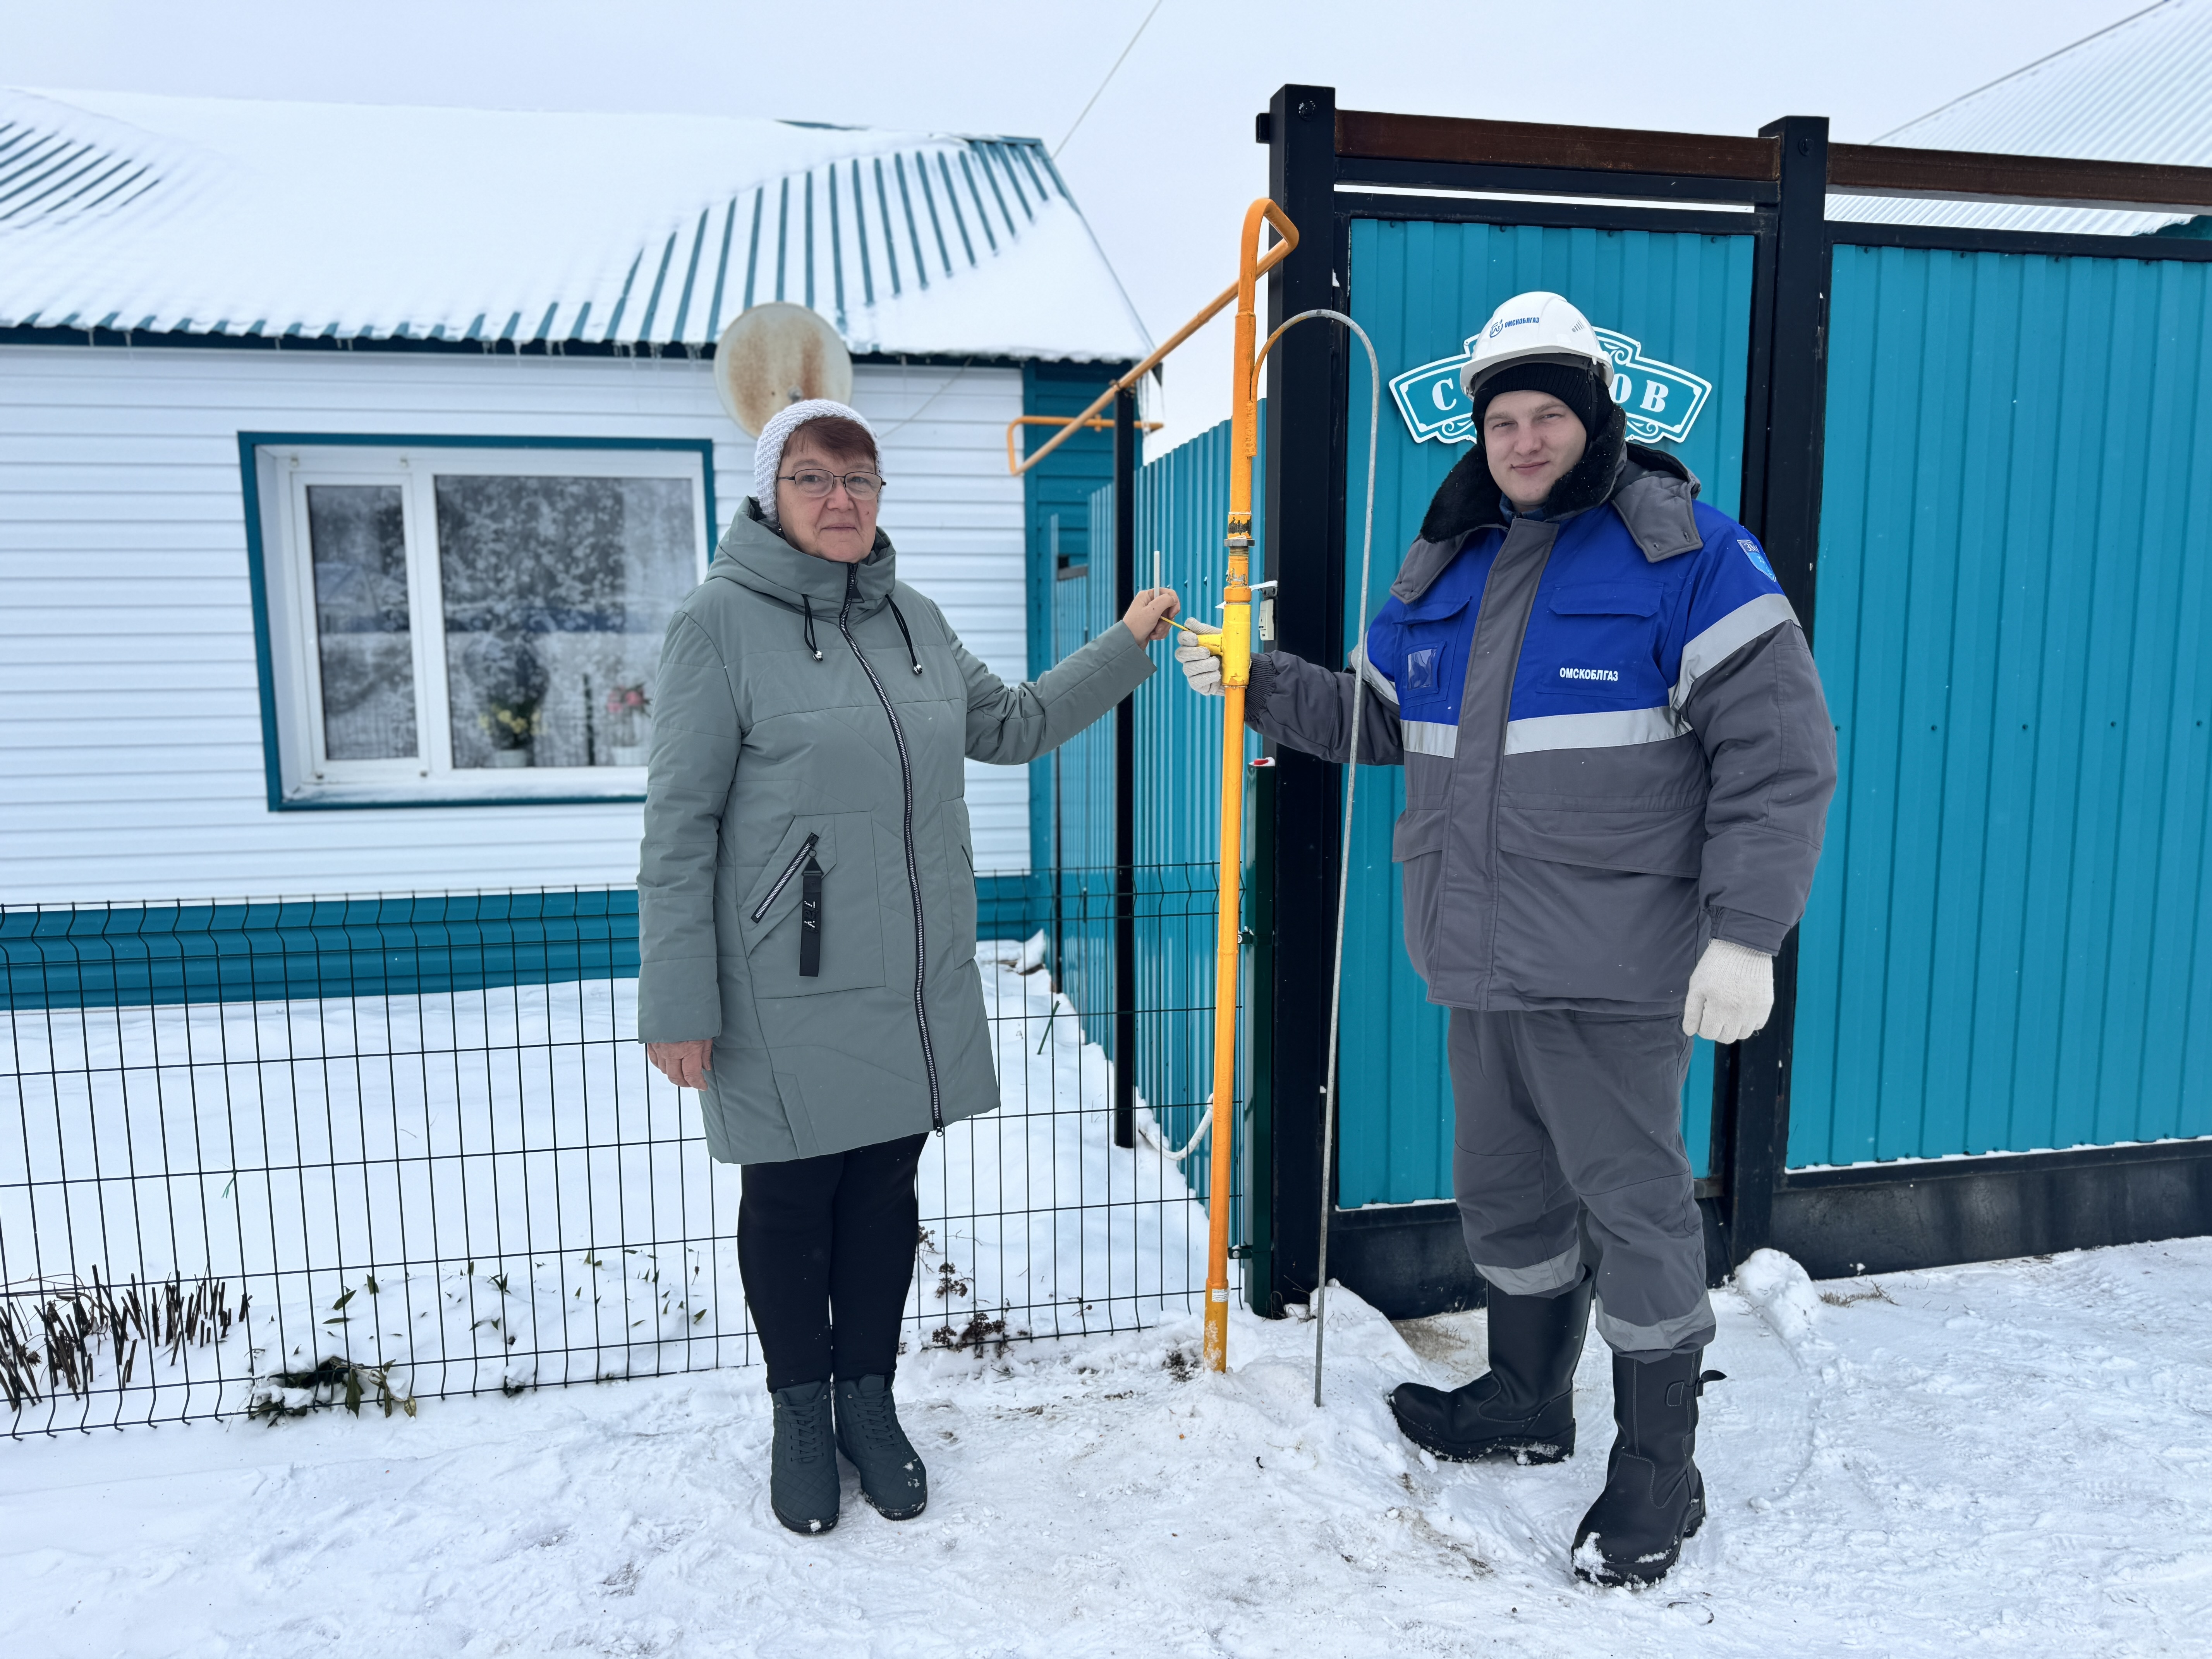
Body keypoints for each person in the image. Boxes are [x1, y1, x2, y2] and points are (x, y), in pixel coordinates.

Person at [1176, 293, 1836, 1587]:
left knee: (1636, 1208)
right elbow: (1378, 722)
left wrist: (1747, 933)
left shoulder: (1687, 556)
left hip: (1616, 966)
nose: (1523, 440)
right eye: (1502, 419)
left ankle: (1661, 1468)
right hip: (1474, 958)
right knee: (1508, 1196)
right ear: (1477, 434)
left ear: (1596, 417)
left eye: (1547, 416)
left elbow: (1781, 758)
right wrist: (1256, 683)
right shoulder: (1450, 564)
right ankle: (1528, 1401)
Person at [638, 398, 1179, 1535]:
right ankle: (800, 1413)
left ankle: (868, 1404)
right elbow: (679, 826)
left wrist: (1129, 645)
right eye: (814, 478)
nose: (842, 499)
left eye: (861, 479)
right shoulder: (717, 626)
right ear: (770, 492)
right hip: (777, 987)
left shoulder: (914, 622)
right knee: (790, 1200)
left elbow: (1018, 723)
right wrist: (678, 1000)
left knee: (883, 1193)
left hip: (912, 978)